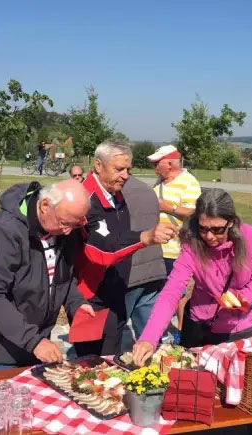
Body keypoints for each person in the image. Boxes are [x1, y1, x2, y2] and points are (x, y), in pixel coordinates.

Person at [133, 189, 252, 366]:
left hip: (240, 328)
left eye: (217, 229)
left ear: (231, 223)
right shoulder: (192, 243)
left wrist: (242, 299)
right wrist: (149, 337)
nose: (209, 236)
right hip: (200, 327)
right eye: (203, 229)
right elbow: (171, 292)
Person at [0, 179, 95, 371]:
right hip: (3, 348)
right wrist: (34, 341)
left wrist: (76, 303)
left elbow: (63, 278)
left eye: (75, 225)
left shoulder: (66, 230)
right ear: (45, 205)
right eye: (64, 223)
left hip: (38, 339)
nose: (68, 231)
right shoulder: (5, 229)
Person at [75, 140, 177, 356]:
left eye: (128, 169)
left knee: (111, 356)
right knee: (89, 362)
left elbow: (120, 238)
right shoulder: (85, 200)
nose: (125, 175)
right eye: (119, 169)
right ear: (98, 165)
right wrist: (145, 237)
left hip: (117, 290)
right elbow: (102, 251)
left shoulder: (116, 194)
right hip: (91, 297)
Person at [148, 144, 201, 337]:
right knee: (158, 292)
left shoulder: (189, 182)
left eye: (157, 163)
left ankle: (180, 331)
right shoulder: (159, 183)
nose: (154, 167)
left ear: (169, 163)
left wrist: (166, 207)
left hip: (176, 249)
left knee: (176, 293)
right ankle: (158, 329)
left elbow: (194, 212)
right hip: (157, 248)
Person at [123, 176, 167, 341]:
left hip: (130, 270)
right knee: (149, 333)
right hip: (154, 265)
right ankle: (153, 363)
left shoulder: (116, 192)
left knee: (115, 330)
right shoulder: (147, 189)